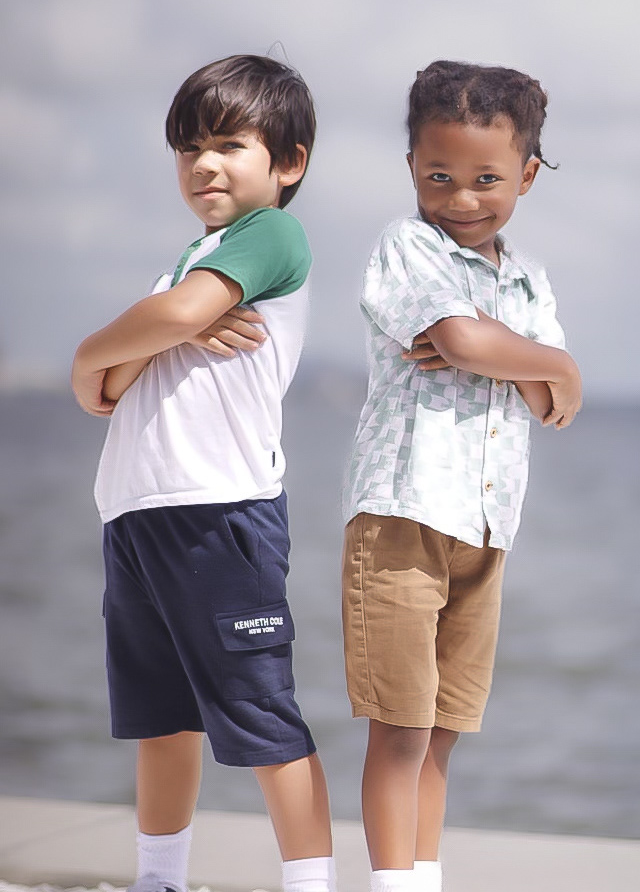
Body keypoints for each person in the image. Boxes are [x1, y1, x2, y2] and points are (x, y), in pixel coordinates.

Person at [71, 54, 335, 892]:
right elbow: (109, 387)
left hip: (219, 513)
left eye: (227, 144)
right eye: (189, 148)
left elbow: (125, 350)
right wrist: (143, 339)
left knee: (262, 715)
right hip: (137, 515)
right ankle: (158, 880)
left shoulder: (271, 234)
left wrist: (108, 346)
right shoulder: (195, 258)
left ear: (288, 162)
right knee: (160, 717)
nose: (203, 164)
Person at [341, 60, 582, 892]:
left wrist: (528, 361)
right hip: (404, 516)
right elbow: (474, 346)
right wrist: (538, 357)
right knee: (400, 729)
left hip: (485, 528)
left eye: (487, 179)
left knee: (441, 732)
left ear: (527, 175)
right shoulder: (407, 245)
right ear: (412, 162)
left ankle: (424, 879)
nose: (461, 198)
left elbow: (550, 404)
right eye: (439, 175)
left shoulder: (529, 280)